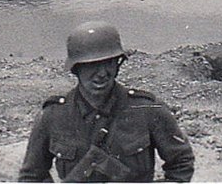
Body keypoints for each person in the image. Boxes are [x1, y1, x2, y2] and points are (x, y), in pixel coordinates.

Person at [19, 21, 195, 182]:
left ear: (117, 65)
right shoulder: (53, 115)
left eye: (108, 63)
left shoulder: (147, 109)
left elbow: (181, 163)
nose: (102, 73)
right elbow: (32, 176)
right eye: (92, 65)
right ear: (76, 68)